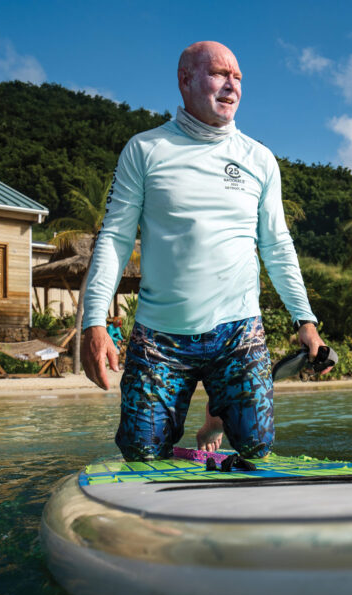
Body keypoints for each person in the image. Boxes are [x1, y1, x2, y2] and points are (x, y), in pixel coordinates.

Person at [80, 41, 329, 462]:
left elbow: (277, 245)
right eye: (219, 74)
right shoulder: (145, 149)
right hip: (159, 336)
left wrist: (305, 322)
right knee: (141, 452)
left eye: (238, 78)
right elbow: (115, 238)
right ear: (185, 80)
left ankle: (216, 415)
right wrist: (94, 322)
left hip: (238, 333)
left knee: (256, 446)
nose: (232, 85)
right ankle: (209, 413)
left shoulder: (259, 159)